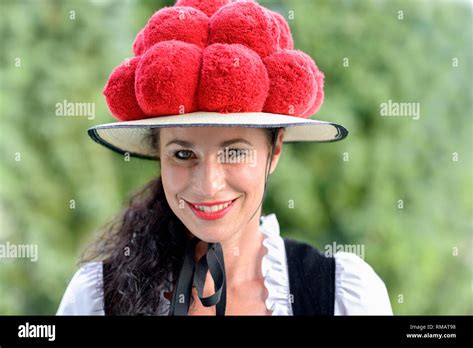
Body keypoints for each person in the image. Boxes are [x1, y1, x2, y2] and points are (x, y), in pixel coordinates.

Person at [57, 0, 392, 316]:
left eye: (233, 152)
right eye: (183, 154)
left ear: (274, 151)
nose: (208, 184)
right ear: (159, 155)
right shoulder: (96, 299)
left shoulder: (339, 295)